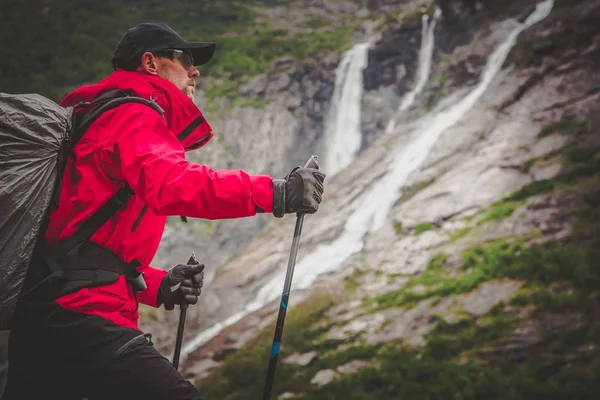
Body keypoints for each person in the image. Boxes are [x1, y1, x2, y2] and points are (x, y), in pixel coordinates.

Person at [3, 22, 325, 400]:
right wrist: (276, 193)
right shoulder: (132, 114)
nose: (195, 71)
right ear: (151, 63)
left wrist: (158, 285)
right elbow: (174, 184)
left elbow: (79, 246)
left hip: (49, 315)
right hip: (83, 317)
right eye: (185, 59)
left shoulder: (97, 117)